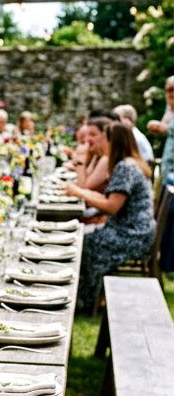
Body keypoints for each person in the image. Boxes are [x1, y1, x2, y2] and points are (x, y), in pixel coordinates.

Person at [70, 122, 155, 310]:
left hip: (133, 235)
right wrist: (79, 191)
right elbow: (108, 198)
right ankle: (88, 298)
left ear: (113, 142)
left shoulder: (126, 167)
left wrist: (80, 193)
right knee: (81, 240)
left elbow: (111, 207)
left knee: (83, 244)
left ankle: (87, 301)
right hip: (132, 230)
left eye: (103, 139)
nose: (101, 144)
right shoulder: (128, 164)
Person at [71, 117, 112, 193]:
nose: (87, 139)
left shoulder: (107, 158)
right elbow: (83, 179)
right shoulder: (97, 156)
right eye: (86, 136)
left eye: (92, 135)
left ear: (105, 136)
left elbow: (82, 188)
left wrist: (81, 157)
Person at [148, 76, 174, 185]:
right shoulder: (170, 109)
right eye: (168, 90)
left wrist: (165, 128)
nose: (171, 94)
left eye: (173, 89)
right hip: (169, 171)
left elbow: (167, 129)